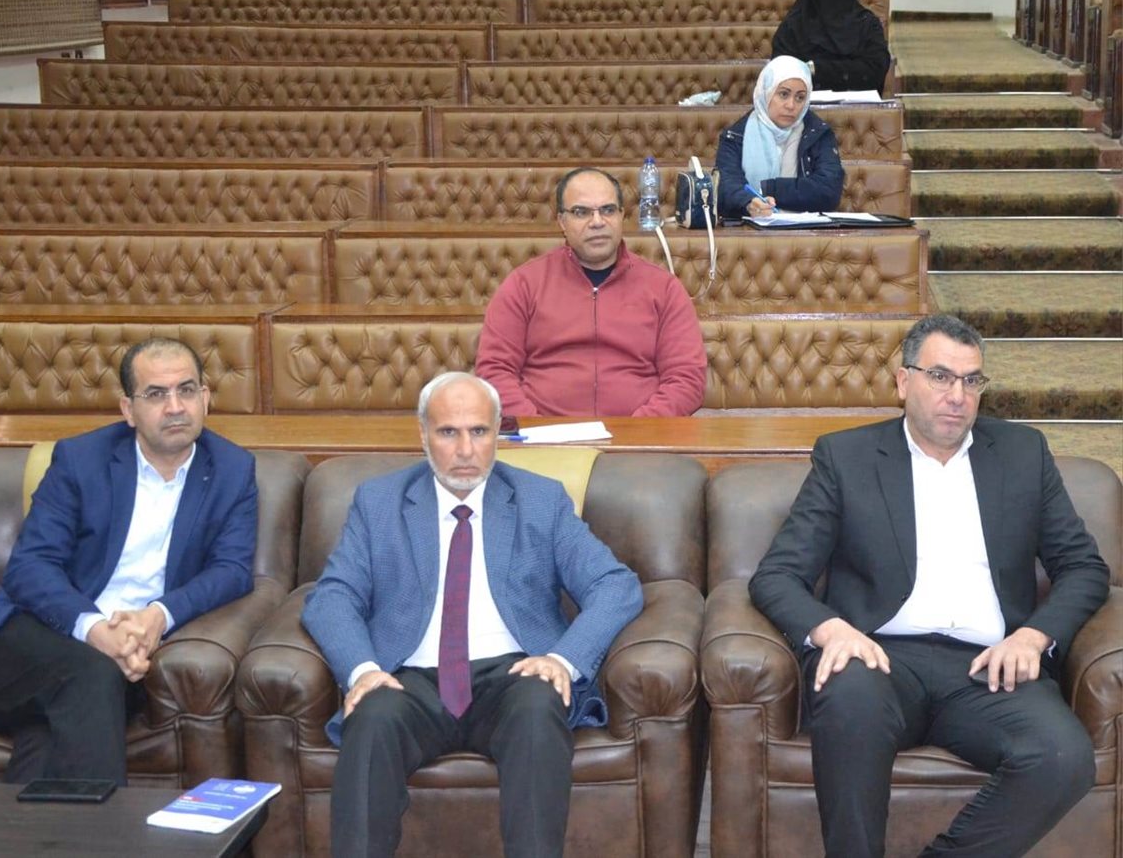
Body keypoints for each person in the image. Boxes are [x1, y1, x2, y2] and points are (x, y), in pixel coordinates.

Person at [749, 314, 1109, 858]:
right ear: (903, 382)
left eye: (972, 380)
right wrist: (831, 630)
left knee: (1064, 757)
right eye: (940, 377)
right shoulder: (846, 458)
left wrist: (1034, 637)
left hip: (990, 668)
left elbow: (1084, 566)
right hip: (879, 659)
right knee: (849, 707)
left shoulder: (1023, 454)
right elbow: (777, 575)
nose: (957, 396)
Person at [302, 371, 643, 858]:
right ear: (423, 435)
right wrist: (363, 670)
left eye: (479, 431)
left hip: (514, 676)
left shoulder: (540, 500)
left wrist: (562, 660)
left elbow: (615, 584)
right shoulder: (379, 502)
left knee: (538, 707)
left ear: (497, 432)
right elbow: (333, 596)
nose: (465, 450)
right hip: (407, 680)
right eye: (448, 432)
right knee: (371, 717)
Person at [0, 337, 259, 785]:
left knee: (51, 740)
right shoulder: (80, 460)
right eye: (156, 394)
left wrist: (158, 616)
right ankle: (109, 829)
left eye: (187, 390)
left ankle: (24, 828)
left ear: (206, 398)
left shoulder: (233, 469)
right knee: (94, 674)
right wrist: (94, 630)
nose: (175, 407)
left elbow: (232, 570)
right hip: (25, 643)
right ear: (128, 409)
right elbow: (30, 567)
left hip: (131, 657)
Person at [474, 166, 707, 416]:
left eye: (608, 210)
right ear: (562, 221)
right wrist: (534, 428)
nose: (597, 222)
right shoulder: (523, 284)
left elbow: (686, 379)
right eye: (581, 212)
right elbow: (495, 370)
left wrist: (639, 429)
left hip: (641, 433)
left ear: (621, 216)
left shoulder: (664, 288)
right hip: (544, 433)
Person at [715, 55, 845, 220]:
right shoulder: (736, 136)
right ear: (766, 92)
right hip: (751, 228)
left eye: (800, 97)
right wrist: (748, 202)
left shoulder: (818, 133)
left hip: (808, 230)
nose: (791, 105)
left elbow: (829, 191)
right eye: (784, 94)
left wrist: (770, 188)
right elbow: (725, 187)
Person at [772, 0, 892, 93]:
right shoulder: (794, 26)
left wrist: (815, 69)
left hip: (860, 103)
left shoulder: (867, 23)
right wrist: (850, 70)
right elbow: (783, 72)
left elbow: (875, 70)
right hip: (804, 102)